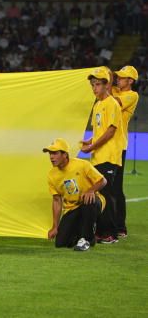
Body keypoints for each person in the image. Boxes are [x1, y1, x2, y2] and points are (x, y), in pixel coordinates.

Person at [80, 67, 123, 244]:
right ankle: (102, 230)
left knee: (108, 194)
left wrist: (92, 147)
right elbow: (99, 131)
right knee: (102, 196)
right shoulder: (98, 105)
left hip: (109, 156)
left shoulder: (112, 103)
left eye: (97, 84)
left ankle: (110, 233)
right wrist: (89, 142)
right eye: (92, 85)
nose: (94, 88)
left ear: (107, 85)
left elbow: (110, 132)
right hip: (98, 156)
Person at [44, 138, 106, 251]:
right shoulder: (51, 175)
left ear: (65, 154)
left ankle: (86, 239)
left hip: (91, 202)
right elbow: (57, 201)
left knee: (88, 200)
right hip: (72, 208)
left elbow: (103, 181)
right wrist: (55, 227)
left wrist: (90, 190)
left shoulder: (82, 165)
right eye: (50, 153)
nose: (51, 157)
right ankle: (84, 231)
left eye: (55, 153)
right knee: (61, 243)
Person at [111, 65, 139, 238]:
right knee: (107, 188)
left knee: (115, 189)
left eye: (122, 78)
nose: (118, 79)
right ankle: (108, 224)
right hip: (105, 145)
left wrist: (108, 89)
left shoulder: (131, 95)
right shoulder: (115, 90)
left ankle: (120, 227)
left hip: (118, 145)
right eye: (118, 77)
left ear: (130, 81)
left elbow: (114, 104)